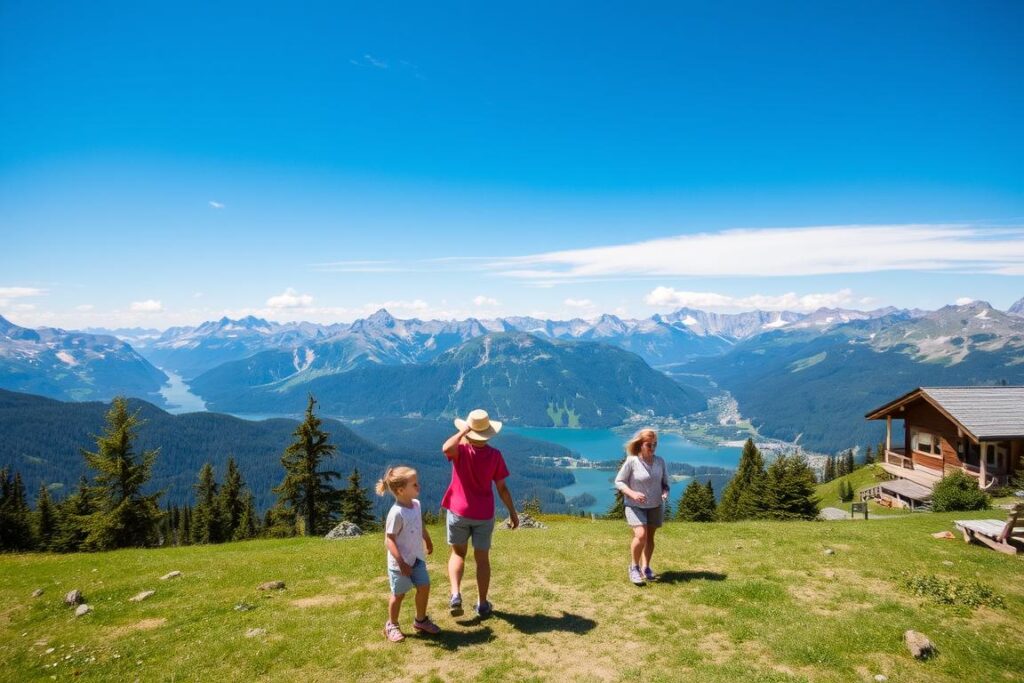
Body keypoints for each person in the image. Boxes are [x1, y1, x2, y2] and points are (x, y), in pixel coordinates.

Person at [441, 408, 520, 618]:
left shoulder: (461, 451)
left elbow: (446, 447)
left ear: (469, 431)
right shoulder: (495, 456)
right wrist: (512, 512)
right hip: (483, 514)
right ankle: (482, 603)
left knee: (458, 553)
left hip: (459, 511)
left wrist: (462, 432)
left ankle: (456, 595)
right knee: (482, 559)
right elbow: (502, 488)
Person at [376, 466, 441, 642]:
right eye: (414, 484)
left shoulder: (416, 505)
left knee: (424, 586)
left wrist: (427, 540)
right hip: (400, 564)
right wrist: (401, 562)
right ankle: (392, 625)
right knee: (399, 595)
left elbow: (420, 525)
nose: (418, 487)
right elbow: (389, 540)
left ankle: (420, 620)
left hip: (417, 558)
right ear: (401, 490)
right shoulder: (396, 513)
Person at [614, 428, 669, 586]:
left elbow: (665, 484)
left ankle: (646, 568)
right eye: (648, 445)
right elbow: (619, 481)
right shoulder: (632, 461)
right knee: (641, 535)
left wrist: (665, 492)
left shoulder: (660, 462)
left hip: (655, 505)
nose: (652, 448)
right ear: (640, 445)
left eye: (655, 445)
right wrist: (632, 493)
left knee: (650, 537)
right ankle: (634, 567)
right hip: (634, 505)